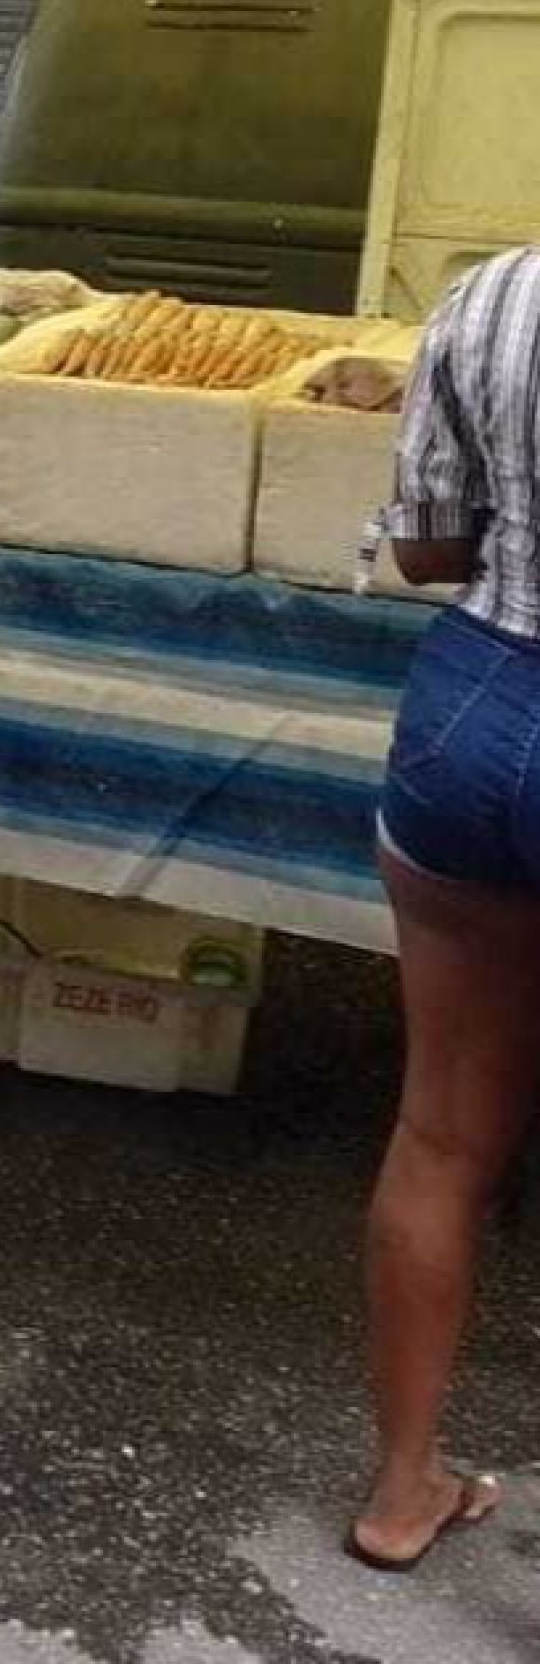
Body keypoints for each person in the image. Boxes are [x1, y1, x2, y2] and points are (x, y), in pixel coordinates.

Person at [351, 250, 540, 1568]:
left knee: (442, 1129)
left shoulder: (491, 296)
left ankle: (402, 1487)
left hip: (475, 712)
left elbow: (427, 542)